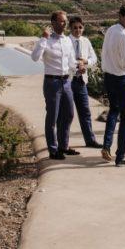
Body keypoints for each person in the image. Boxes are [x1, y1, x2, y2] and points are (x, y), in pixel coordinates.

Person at [31, 10, 78, 160]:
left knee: (69, 114)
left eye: (65, 21)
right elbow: (35, 57)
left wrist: (78, 67)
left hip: (66, 81)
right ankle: (53, 149)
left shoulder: (67, 40)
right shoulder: (47, 40)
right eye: (60, 21)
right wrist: (43, 38)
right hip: (52, 82)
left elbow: (71, 62)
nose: (63, 24)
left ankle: (63, 146)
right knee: (53, 117)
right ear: (53, 22)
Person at [101, 5, 125, 166]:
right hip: (121, 79)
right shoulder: (124, 35)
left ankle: (106, 145)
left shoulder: (110, 30)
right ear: (121, 15)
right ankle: (121, 156)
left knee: (114, 110)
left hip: (108, 77)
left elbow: (104, 54)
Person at [68, 15, 101, 148]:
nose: (78, 30)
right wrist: (78, 64)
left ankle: (90, 140)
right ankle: (63, 142)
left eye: (80, 27)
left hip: (81, 81)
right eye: (75, 27)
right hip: (68, 81)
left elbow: (94, 59)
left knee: (85, 112)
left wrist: (85, 61)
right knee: (67, 113)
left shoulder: (86, 41)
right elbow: (65, 60)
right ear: (70, 28)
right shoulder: (65, 41)